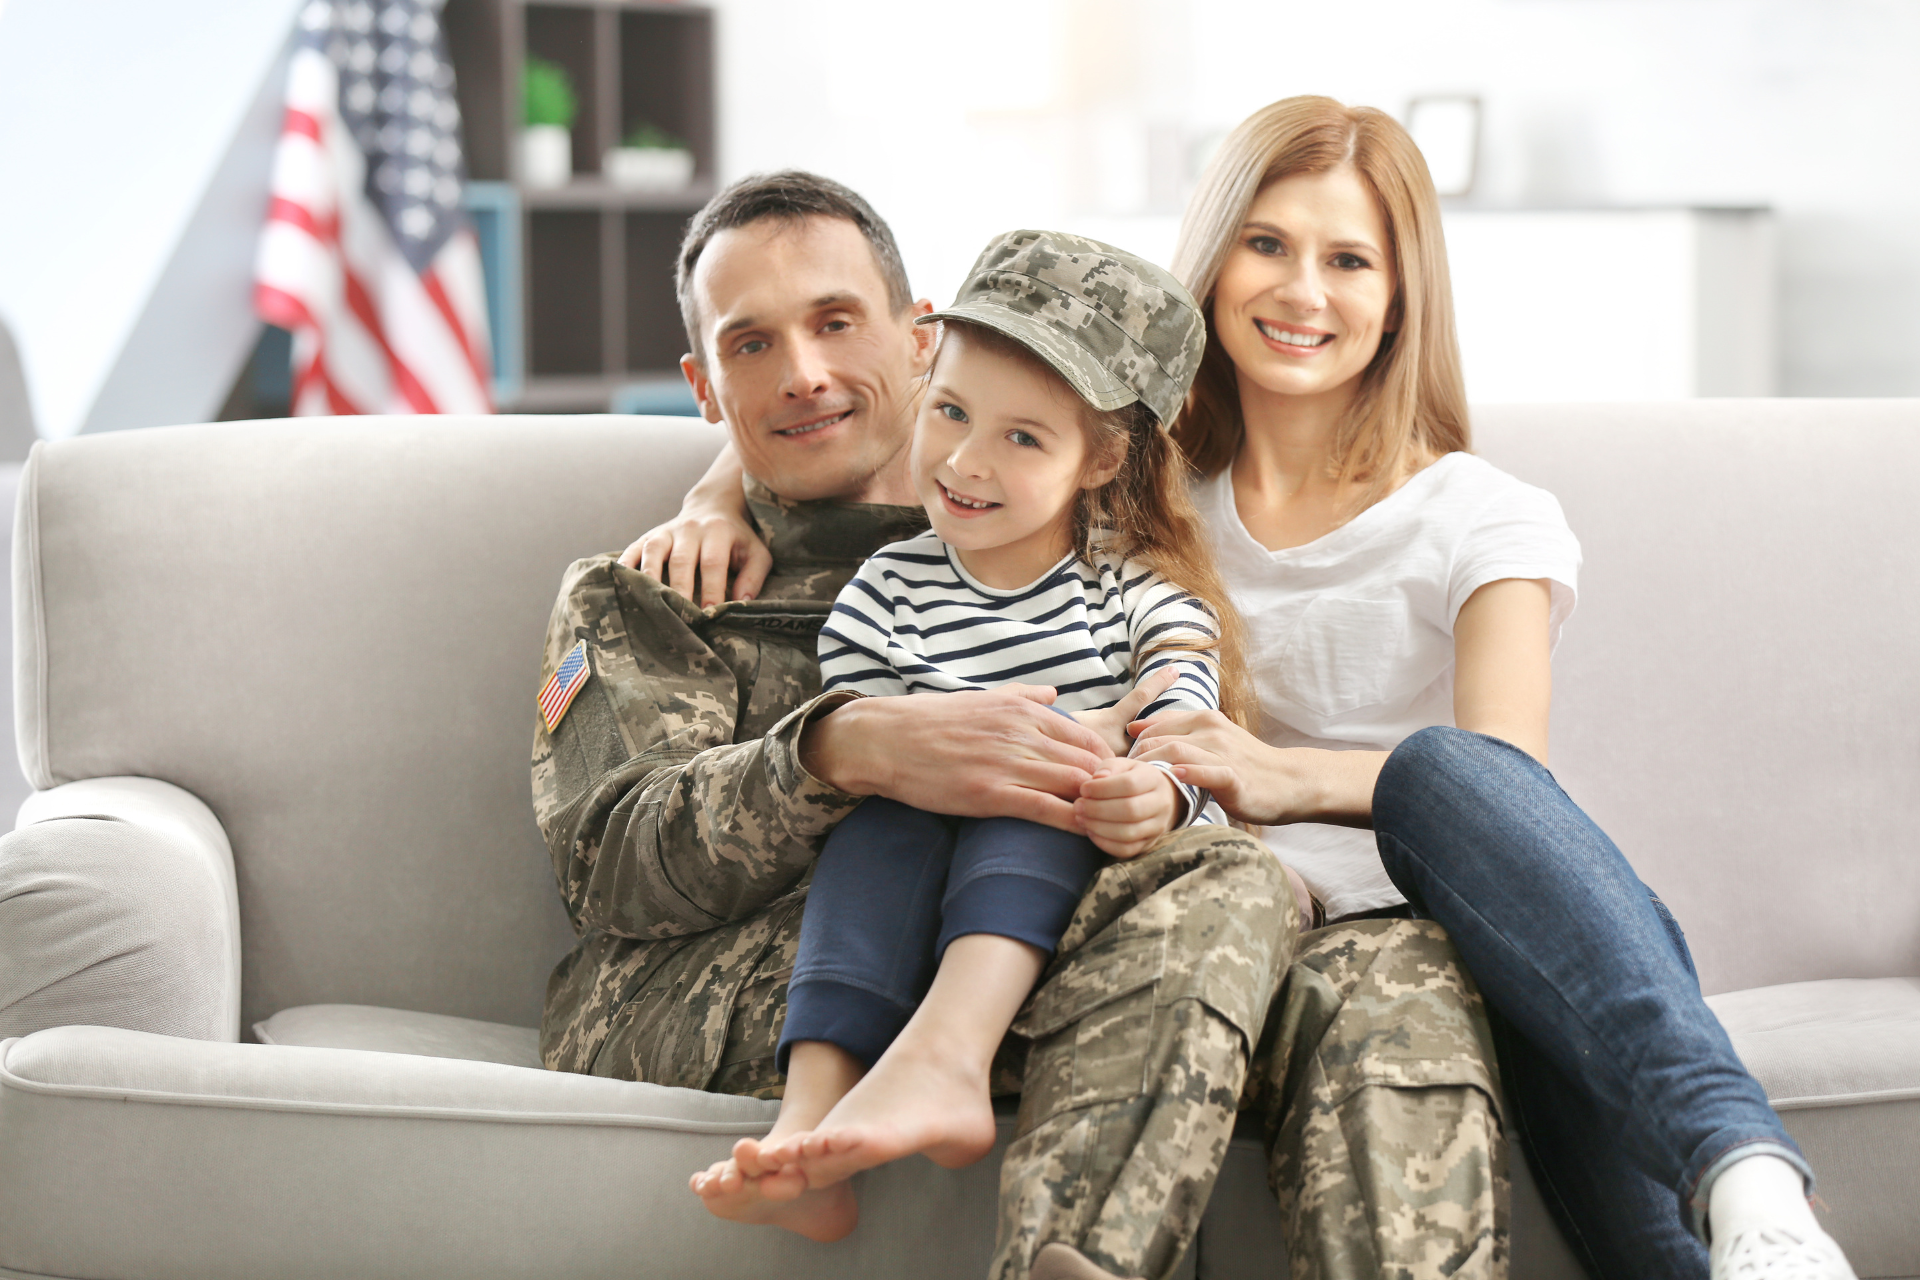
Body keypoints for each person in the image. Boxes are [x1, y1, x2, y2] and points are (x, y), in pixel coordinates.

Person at [630, 102, 1860, 1280]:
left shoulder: (1483, 515)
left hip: (1428, 898)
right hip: (1190, 893)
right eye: (1266, 244)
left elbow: (1507, 787)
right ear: (1212, 267)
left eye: (1350, 260)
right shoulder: (1125, 494)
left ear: (1401, 298)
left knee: (1445, 796)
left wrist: (1283, 776)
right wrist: (714, 492)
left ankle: (1746, 1180)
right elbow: (866, 402)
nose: (1302, 290)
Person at [548, 169, 1507, 1280]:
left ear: (916, 341)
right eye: (749, 345)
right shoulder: (650, 593)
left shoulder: (1041, 513)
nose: (802, 372)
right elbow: (605, 862)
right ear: (704, 386)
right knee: (1228, 885)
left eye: (835, 321)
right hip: (788, 974)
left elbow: (1111, 419)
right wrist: (842, 750)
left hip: (1064, 916)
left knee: (1396, 979)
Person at [691, 228, 1252, 1238]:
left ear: (1103, 458)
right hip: (914, 834)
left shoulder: (1135, 595)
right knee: (875, 828)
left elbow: (1185, 720)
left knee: (1044, 784)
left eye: (1022, 437)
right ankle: (810, 1123)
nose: (964, 458)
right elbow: (877, 731)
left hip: (1068, 845)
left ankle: (949, 1054)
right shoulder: (885, 591)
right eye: (949, 411)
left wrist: (1156, 787)